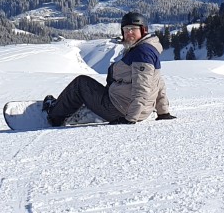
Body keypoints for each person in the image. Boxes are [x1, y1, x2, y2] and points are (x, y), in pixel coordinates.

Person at [44, 11, 174, 127]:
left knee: (81, 83)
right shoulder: (148, 48)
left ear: (143, 30)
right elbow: (158, 82)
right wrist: (163, 112)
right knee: (92, 87)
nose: (129, 33)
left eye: (133, 29)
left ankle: (55, 115)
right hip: (134, 107)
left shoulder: (142, 53)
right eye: (126, 29)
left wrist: (130, 118)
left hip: (120, 109)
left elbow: (142, 88)